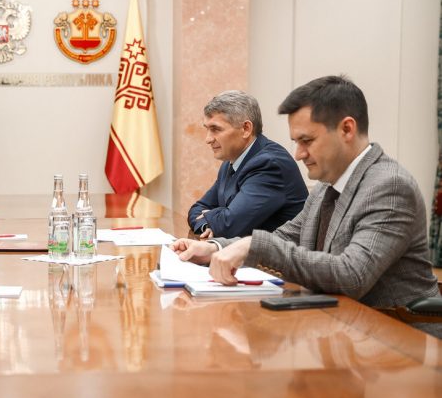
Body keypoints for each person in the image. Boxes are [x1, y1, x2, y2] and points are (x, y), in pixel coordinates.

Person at [173, 75, 440, 314]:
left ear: (347, 129)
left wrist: (254, 246)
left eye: (307, 141)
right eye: (296, 142)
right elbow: (287, 236)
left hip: (396, 336)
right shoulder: (326, 184)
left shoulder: (389, 186)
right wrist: (215, 248)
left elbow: (351, 276)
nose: (298, 154)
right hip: (336, 322)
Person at [187, 90, 307, 238]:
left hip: (275, 253)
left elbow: (229, 226)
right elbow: (197, 209)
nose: (208, 139)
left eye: (215, 129)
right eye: (207, 129)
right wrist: (209, 223)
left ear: (246, 129)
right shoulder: (230, 162)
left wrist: (215, 218)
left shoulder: (270, 164)